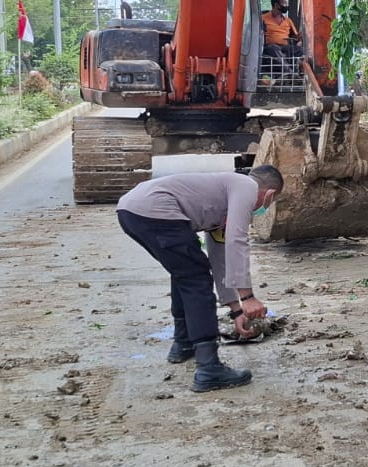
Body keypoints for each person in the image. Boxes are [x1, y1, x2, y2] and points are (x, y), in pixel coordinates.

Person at [116, 167, 283, 393]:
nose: (261, 209)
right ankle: (209, 368)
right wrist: (248, 297)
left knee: (186, 272)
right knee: (196, 279)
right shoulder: (247, 187)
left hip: (132, 211)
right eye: (268, 204)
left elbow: (220, 256)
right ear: (270, 195)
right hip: (154, 211)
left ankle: (183, 344)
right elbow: (237, 240)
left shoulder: (222, 200)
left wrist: (236, 310)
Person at [261, 0, 301, 71]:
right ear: (276, 5)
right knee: (274, 48)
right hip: (270, 46)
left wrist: (300, 37)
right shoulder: (263, 18)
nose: (286, 6)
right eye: (284, 4)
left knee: (299, 50)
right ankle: (289, 73)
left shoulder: (288, 20)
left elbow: (296, 36)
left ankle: (296, 72)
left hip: (285, 46)